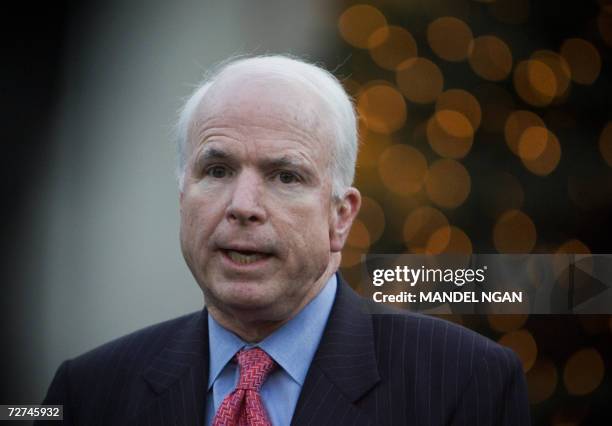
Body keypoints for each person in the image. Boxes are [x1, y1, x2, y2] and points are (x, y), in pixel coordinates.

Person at [38, 55, 530, 425]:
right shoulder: (85, 393)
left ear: (341, 217)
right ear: (182, 196)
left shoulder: (466, 383)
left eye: (285, 176)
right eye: (217, 169)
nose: (243, 204)